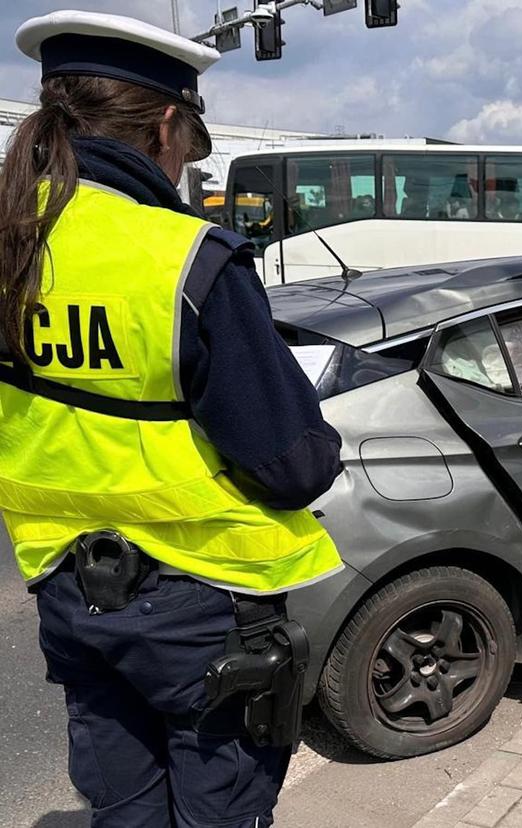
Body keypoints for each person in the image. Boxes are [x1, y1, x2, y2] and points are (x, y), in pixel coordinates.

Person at [0, 12, 344, 827]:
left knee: (122, 810)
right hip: (200, 604)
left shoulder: (12, 242)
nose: (188, 160)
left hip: (64, 586)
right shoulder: (189, 257)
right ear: (165, 123)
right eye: (191, 141)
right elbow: (293, 464)